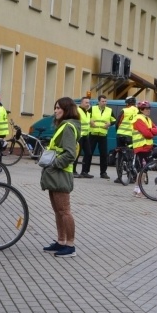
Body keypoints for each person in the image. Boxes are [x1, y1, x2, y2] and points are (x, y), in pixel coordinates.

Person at [41, 97, 81, 258]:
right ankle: (61, 241)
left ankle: (70, 246)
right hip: (56, 173)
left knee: (64, 211)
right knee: (58, 210)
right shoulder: (64, 125)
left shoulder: (68, 127)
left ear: (67, 110)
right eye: (55, 107)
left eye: (59, 108)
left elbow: (70, 154)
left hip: (61, 173)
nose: (56, 110)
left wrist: (54, 164)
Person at [131, 101, 157, 197]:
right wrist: (151, 131)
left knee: (143, 169)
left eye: (149, 108)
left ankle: (136, 189)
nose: (148, 110)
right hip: (141, 147)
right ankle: (139, 191)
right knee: (143, 169)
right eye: (146, 109)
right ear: (141, 110)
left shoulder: (148, 119)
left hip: (146, 147)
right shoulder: (138, 119)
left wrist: (150, 130)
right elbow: (147, 134)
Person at [89, 95, 116, 179]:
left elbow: (114, 120)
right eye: (102, 101)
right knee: (89, 153)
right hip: (93, 134)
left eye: (105, 101)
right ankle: (85, 171)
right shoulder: (93, 108)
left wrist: (110, 124)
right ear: (98, 102)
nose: (104, 103)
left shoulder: (109, 110)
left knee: (104, 154)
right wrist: (90, 121)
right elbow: (85, 116)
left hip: (103, 135)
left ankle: (103, 173)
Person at [113, 96, 138, 183]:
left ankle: (119, 177)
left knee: (120, 155)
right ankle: (131, 176)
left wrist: (118, 131)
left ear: (127, 103)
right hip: (131, 137)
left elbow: (117, 123)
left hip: (121, 136)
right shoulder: (138, 111)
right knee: (131, 155)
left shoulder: (125, 110)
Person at [75, 96, 94, 178]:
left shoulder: (87, 112)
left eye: (88, 102)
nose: (88, 104)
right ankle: (73, 171)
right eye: (86, 102)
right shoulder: (77, 111)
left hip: (86, 136)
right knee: (77, 154)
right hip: (79, 136)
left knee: (88, 153)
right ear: (81, 103)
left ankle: (84, 171)